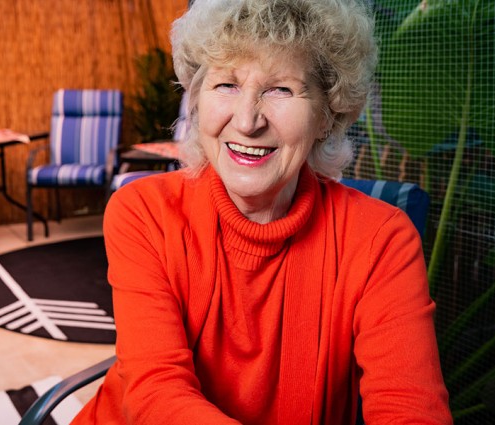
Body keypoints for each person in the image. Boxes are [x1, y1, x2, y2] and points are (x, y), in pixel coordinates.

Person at [73, 0, 452, 423]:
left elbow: (411, 410)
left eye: (280, 89)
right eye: (227, 85)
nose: (248, 120)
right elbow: (156, 393)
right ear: (198, 101)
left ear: (328, 115)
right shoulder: (143, 211)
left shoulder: (381, 239)